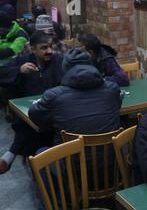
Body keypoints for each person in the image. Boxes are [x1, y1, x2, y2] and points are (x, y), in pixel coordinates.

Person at [28, 47, 122, 144]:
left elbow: (36, 116)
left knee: (40, 150)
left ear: (64, 69)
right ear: (91, 65)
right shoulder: (112, 89)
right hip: (112, 156)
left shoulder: (54, 96)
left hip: (70, 157)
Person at [0, 31, 63, 174]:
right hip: (29, 111)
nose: (49, 51)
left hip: (56, 108)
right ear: (33, 49)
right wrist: (19, 70)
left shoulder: (58, 61)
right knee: (29, 121)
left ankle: (11, 154)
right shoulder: (22, 61)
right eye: (44, 48)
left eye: (50, 47)